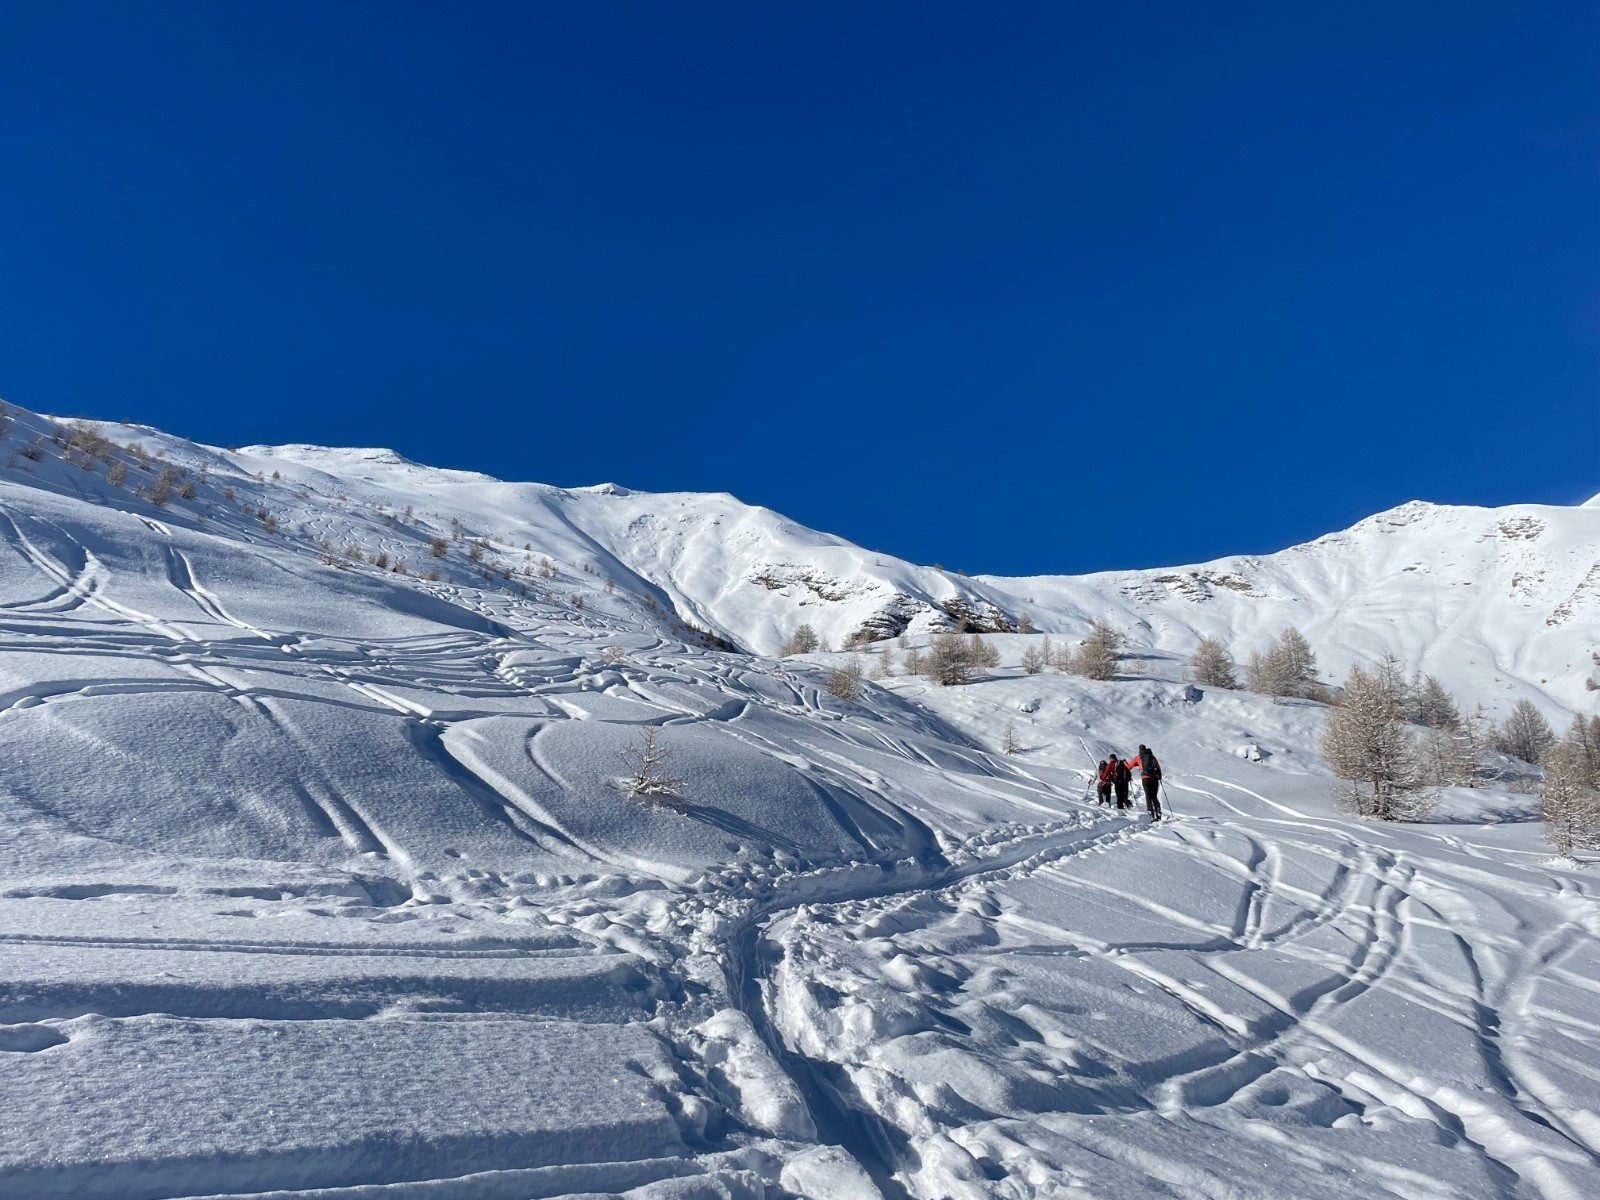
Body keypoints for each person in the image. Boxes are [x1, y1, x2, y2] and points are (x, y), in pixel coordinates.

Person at [1131, 744, 1162, 819]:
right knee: (1154, 796)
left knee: (1148, 797)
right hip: (1154, 778)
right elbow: (1158, 767)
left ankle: (1151, 814)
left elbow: (1129, 766)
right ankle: (1158, 810)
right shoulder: (1152, 757)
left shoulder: (1138, 757)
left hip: (1145, 779)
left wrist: (1124, 762)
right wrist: (1159, 777)